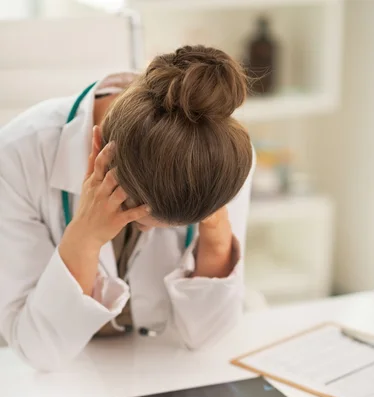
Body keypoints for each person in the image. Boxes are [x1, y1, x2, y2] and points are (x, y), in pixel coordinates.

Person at [0, 45, 255, 371]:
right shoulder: (17, 155)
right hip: (71, 377)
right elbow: (39, 350)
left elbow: (207, 335)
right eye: (137, 217)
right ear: (97, 151)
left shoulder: (221, 155)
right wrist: (85, 237)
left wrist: (216, 225)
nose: (148, 231)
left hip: (157, 367)